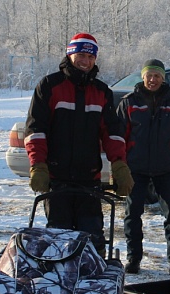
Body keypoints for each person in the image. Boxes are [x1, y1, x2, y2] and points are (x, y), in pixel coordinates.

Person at [24, 32, 133, 256]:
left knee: (92, 240)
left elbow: (112, 133)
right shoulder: (49, 86)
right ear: (70, 55)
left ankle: (93, 275)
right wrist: (38, 165)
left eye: (91, 57)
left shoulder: (102, 92)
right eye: (81, 55)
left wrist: (119, 165)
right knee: (59, 240)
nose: (86, 61)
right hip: (57, 178)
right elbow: (36, 130)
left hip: (88, 179)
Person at [117, 59, 170, 276]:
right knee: (132, 215)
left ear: (163, 78)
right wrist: (119, 167)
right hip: (136, 168)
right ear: (143, 77)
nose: (152, 80)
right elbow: (119, 138)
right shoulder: (129, 103)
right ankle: (133, 258)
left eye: (157, 76)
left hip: (166, 168)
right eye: (149, 75)